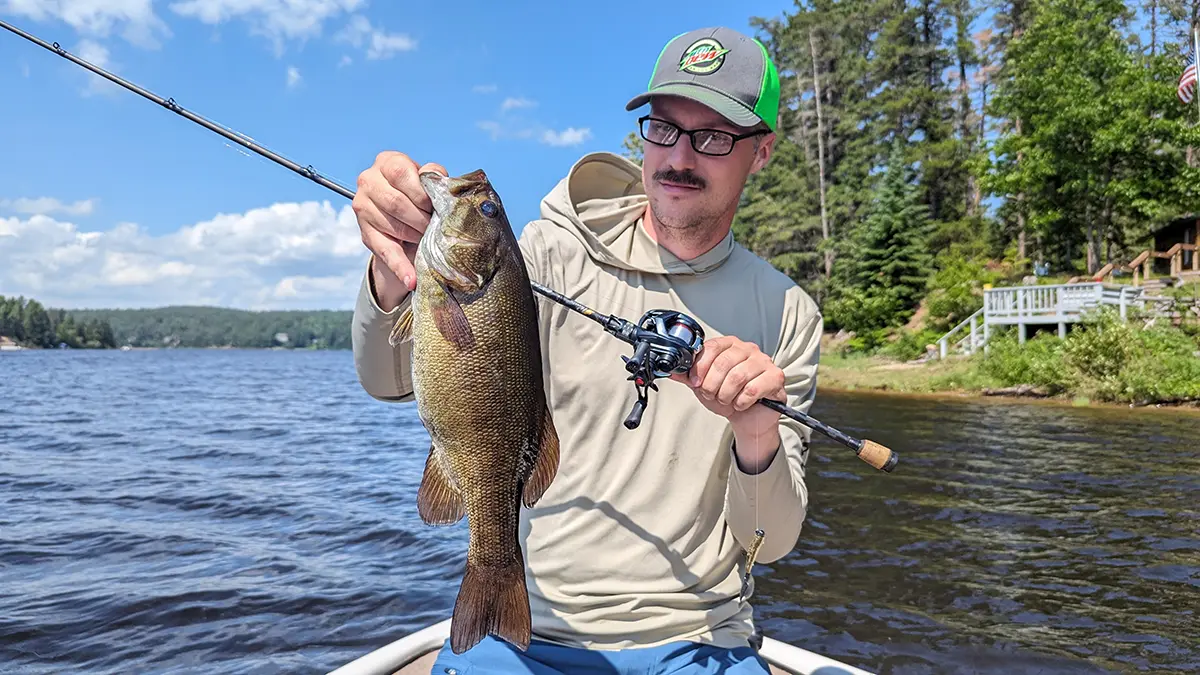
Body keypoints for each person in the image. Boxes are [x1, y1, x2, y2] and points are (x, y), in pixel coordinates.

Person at [349, 25, 823, 675]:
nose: (679, 156)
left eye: (713, 136)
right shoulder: (542, 256)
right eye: (665, 127)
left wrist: (756, 433)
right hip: (531, 628)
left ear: (763, 152)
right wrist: (393, 271)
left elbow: (771, 541)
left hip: (701, 639)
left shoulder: (788, 311)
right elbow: (386, 378)